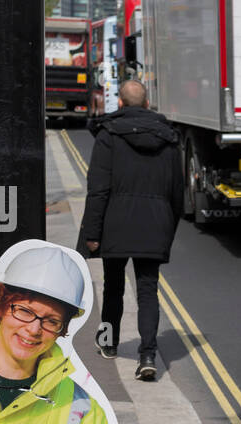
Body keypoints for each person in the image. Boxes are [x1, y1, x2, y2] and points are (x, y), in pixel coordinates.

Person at [78, 79, 184, 380]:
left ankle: (109, 343)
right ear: (147, 103)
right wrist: (169, 229)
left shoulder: (108, 135)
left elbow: (97, 190)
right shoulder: (169, 138)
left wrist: (92, 234)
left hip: (116, 223)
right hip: (155, 224)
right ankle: (148, 354)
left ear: (120, 104)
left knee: (113, 286)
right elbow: (178, 193)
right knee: (148, 291)